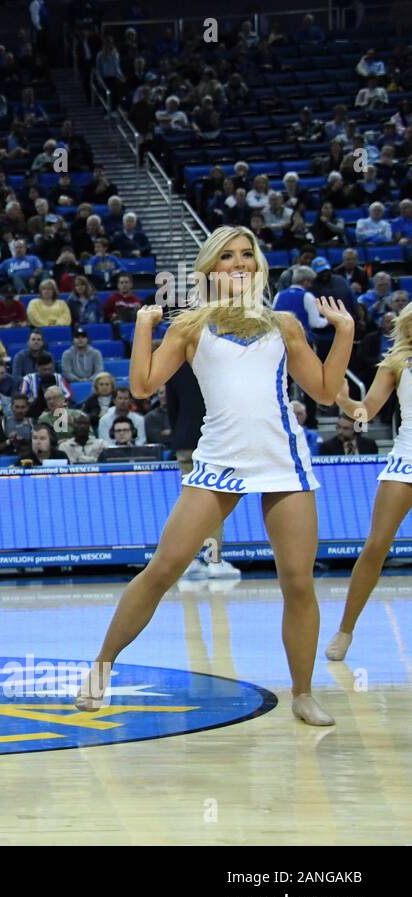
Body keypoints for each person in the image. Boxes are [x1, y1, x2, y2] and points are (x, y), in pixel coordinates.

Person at [76, 227, 353, 728]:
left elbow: (328, 392)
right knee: (163, 570)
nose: (239, 263)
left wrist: (346, 334)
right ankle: (100, 667)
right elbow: (141, 385)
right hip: (219, 460)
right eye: (227, 256)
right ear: (209, 270)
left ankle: (304, 693)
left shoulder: (284, 324)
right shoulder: (189, 326)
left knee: (298, 583)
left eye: (247, 254)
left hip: (282, 461)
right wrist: (144, 327)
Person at [327, 303, 412, 660]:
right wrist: (345, 399)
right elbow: (367, 412)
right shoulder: (397, 362)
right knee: (376, 546)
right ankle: (345, 630)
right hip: (406, 459)